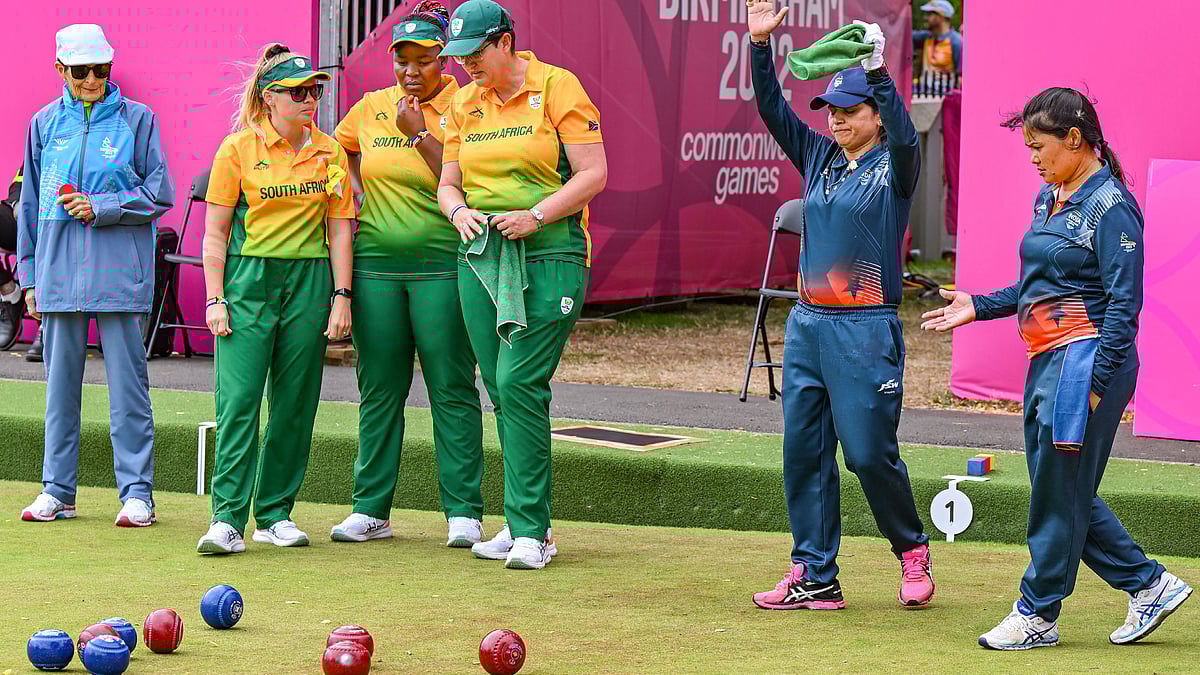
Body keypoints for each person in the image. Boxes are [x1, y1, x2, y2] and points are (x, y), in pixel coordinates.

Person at [922, 87, 1193, 649]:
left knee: (1055, 492)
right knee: (1060, 487)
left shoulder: (1111, 208)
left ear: (1075, 139)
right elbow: (1035, 287)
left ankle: (1038, 612)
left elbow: (1124, 305)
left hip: (1087, 362)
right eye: (1027, 147)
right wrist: (980, 305)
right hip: (1046, 360)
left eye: (1039, 145)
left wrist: (1094, 386)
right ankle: (1149, 584)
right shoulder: (1049, 198)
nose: (1033, 157)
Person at [746, 3, 935, 610]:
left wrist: (878, 71)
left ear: (876, 115)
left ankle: (911, 550)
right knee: (804, 451)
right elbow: (774, 110)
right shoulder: (821, 157)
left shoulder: (897, 165)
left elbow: (907, 134)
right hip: (808, 325)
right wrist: (758, 46)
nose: (838, 123)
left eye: (852, 112)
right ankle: (814, 575)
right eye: (831, 111)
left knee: (867, 454)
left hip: (865, 328)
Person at [437, 0, 607, 569]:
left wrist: (536, 214)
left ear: (506, 41)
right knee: (499, 385)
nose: (466, 66)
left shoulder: (558, 87)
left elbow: (593, 173)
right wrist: (458, 212)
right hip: (480, 256)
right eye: (458, 56)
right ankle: (521, 524)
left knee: (517, 380)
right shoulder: (463, 102)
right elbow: (448, 183)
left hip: (551, 252)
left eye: (475, 53)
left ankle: (532, 531)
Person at [330, 1, 487, 548]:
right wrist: (357, 188)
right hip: (376, 268)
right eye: (403, 59)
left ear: (443, 58)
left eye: (424, 58)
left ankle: (464, 512)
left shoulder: (466, 104)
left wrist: (420, 133)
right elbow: (340, 151)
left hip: (444, 266)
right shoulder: (371, 107)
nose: (412, 70)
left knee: (451, 387)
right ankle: (371, 509)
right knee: (379, 389)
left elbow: (462, 175)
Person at [196, 44, 354, 554]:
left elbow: (339, 229)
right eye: (299, 92)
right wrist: (215, 298)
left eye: (315, 91)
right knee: (239, 401)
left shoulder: (330, 152)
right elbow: (215, 234)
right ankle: (226, 519)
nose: (311, 99)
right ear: (270, 99)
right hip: (249, 281)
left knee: (294, 403)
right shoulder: (236, 150)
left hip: (309, 281)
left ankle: (275, 513)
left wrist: (341, 296)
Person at [16, 24, 175, 526]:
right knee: (59, 388)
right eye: (81, 70)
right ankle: (58, 491)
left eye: (100, 70)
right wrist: (29, 276)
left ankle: (137, 494)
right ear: (60, 70)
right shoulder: (43, 124)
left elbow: (158, 193)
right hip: (58, 273)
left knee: (129, 388)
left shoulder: (137, 119)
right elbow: (30, 205)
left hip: (120, 272)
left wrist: (103, 206)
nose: (92, 80)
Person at [1, 168, 26, 350]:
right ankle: (9, 292)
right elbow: (20, 182)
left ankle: (46, 325)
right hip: (19, 213)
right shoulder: (38, 141)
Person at [912, 0, 963, 81]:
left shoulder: (957, 42)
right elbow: (904, 35)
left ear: (941, 16)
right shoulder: (926, 37)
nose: (926, 18)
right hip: (922, 92)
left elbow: (962, 77)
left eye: (930, 14)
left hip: (946, 92)